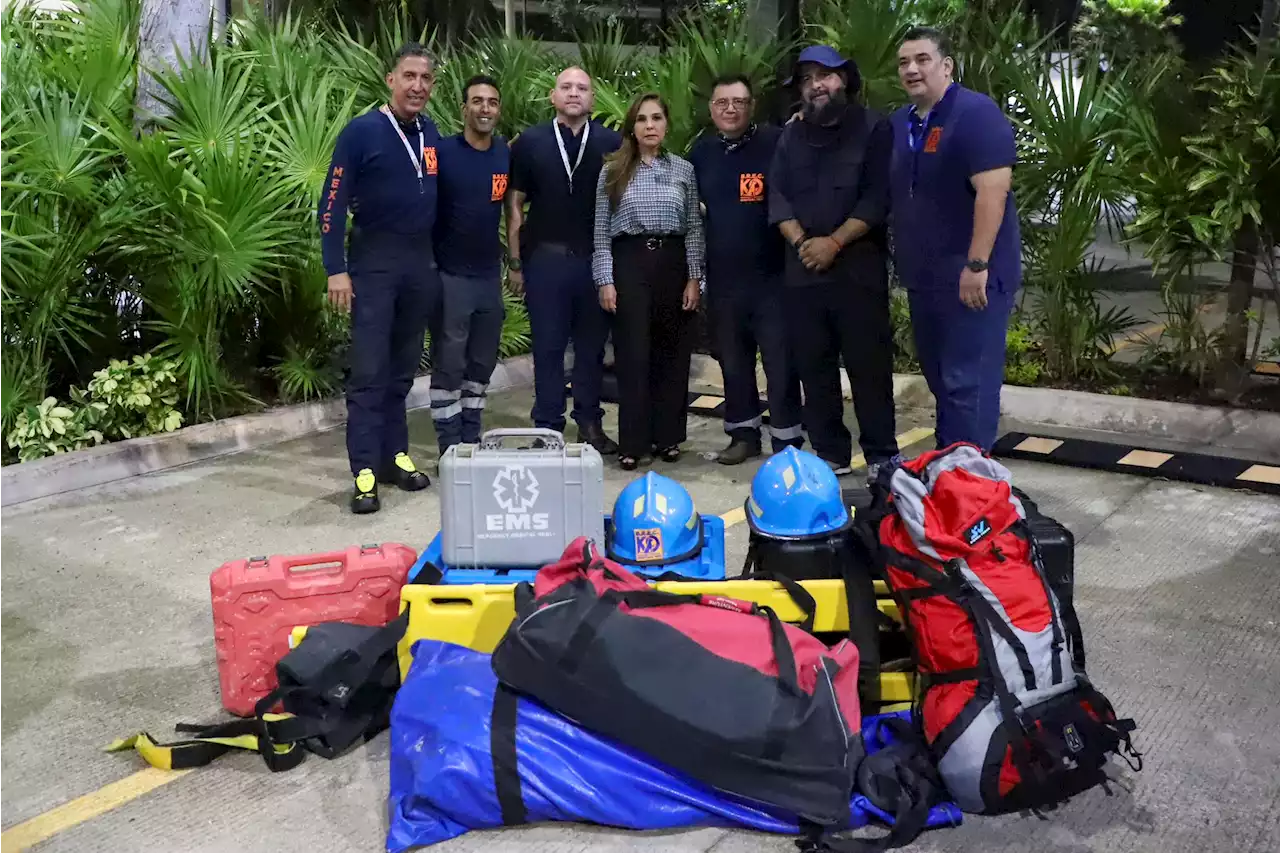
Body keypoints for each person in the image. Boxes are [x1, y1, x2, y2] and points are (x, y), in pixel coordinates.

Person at [768, 45, 901, 481]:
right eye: (806, 79)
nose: (815, 85)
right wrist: (805, 242)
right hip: (803, 274)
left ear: (844, 80)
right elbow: (778, 196)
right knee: (814, 367)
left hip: (858, 274)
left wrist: (835, 243)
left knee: (869, 367)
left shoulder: (874, 128)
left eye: (823, 75)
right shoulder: (791, 135)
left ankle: (882, 455)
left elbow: (878, 196)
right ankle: (830, 453)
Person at [318, 42, 441, 514]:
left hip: (418, 265)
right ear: (390, 80)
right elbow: (330, 204)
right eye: (409, 76)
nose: (417, 86)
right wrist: (336, 269)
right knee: (369, 371)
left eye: (425, 79)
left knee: (402, 370)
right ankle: (365, 470)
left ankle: (395, 456)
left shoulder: (430, 133)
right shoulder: (361, 132)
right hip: (372, 263)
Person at [891, 27, 1021, 452]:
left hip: (973, 277)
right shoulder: (902, 123)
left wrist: (977, 264)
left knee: (969, 384)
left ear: (946, 66)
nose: (912, 69)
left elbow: (993, 192)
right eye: (904, 62)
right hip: (924, 279)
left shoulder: (975, 114)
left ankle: (973, 481)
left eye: (922, 59)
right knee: (942, 380)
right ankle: (951, 467)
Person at [687, 74, 804, 466]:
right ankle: (743, 434)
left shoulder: (776, 142)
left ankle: (787, 441)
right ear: (712, 109)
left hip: (774, 278)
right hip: (723, 281)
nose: (730, 109)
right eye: (722, 103)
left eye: (739, 101)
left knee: (780, 364)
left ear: (751, 105)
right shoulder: (700, 155)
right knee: (733, 364)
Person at [506, 67, 622, 453]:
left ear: (592, 98)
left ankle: (589, 423)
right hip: (546, 262)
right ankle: (547, 427)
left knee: (591, 350)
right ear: (553, 96)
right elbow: (515, 204)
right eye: (567, 87)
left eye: (583, 88)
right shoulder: (530, 142)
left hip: (594, 262)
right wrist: (516, 261)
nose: (574, 94)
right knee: (548, 349)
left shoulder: (612, 143)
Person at [592, 93, 704, 471]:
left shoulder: (684, 171)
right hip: (630, 264)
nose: (650, 125)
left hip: (672, 263)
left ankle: (668, 436)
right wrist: (605, 280)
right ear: (633, 127)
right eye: (642, 119)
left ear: (666, 124)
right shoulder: (612, 170)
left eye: (657, 118)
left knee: (672, 354)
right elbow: (600, 233)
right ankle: (633, 442)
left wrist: (694, 277)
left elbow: (693, 229)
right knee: (634, 354)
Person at [428, 74, 509, 454]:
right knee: (449, 365)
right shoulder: (442, 152)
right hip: (449, 276)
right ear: (464, 108)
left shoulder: (505, 154)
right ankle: (449, 447)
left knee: (482, 362)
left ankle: (470, 438)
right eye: (477, 101)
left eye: (491, 102)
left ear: (499, 110)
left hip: (488, 277)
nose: (485, 108)